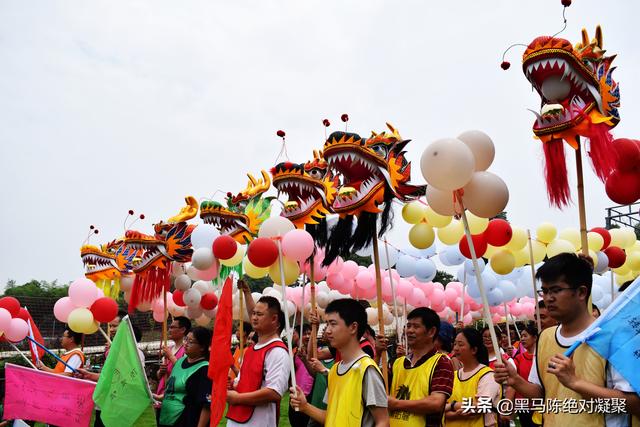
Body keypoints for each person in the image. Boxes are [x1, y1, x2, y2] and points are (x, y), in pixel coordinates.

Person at [494, 253, 640, 427]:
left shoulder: (613, 337)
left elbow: (633, 404)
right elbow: (543, 396)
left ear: (581, 292)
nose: (548, 298)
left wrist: (575, 382)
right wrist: (516, 381)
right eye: (545, 291)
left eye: (556, 290)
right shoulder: (545, 338)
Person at [290, 298, 389, 427]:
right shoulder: (335, 370)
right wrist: (305, 406)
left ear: (353, 327)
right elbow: (330, 415)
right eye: (327, 324)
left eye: (333, 324)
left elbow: (383, 421)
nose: (327, 331)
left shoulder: (367, 369)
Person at [226, 296, 291, 426]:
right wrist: (232, 384)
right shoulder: (250, 350)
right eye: (254, 313)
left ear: (274, 319)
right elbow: (242, 381)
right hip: (236, 418)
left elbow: (274, 392)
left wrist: (237, 398)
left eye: (259, 314)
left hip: (259, 421)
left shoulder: (278, 351)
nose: (254, 318)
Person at [388, 307, 454, 427]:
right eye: (408, 326)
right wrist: (377, 354)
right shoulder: (398, 363)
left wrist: (396, 404)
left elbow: (436, 403)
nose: (410, 331)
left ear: (431, 332)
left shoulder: (441, 362)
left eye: (416, 326)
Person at [445, 327, 501, 427]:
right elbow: (441, 408)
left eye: (461, 344)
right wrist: (454, 414)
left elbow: (482, 406)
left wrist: (453, 405)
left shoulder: (487, 375)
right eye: (455, 344)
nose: (455, 348)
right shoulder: (454, 375)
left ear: (474, 350)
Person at [157, 326, 212, 427]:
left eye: (191, 342)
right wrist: (159, 397)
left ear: (202, 347)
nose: (185, 344)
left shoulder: (204, 369)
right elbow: (174, 391)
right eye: (186, 339)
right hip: (166, 419)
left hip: (186, 421)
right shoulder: (180, 361)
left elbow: (207, 405)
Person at [157, 316, 191, 397]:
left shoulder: (186, 350)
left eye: (172, 327)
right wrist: (160, 371)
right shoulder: (169, 349)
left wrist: (170, 356)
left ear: (183, 329)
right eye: (169, 327)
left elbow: (184, 370)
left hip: (174, 396)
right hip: (161, 394)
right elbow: (159, 376)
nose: (169, 330)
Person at [288, 324, 314, 427]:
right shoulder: (295, 354)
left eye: (309, 333)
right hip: (296, 395)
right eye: (304, 334)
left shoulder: (318, 353)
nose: (307, 336)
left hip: (310, 397)